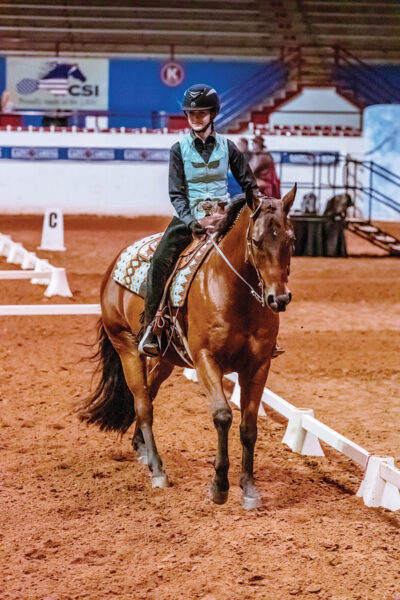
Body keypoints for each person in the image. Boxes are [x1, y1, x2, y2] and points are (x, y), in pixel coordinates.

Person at [138, 83, 258, 357]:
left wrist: (251, 210)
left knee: (256, 257)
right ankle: (151, 328)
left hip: (224, 215)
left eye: (201, 113)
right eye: (191, 113)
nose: (195, 118)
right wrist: (192, 222)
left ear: (213, 113)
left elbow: (249, 185)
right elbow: (176, 193)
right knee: (159, 262)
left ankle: (264, 330)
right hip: (188, 218)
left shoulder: (229, 147)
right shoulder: (178, 149)